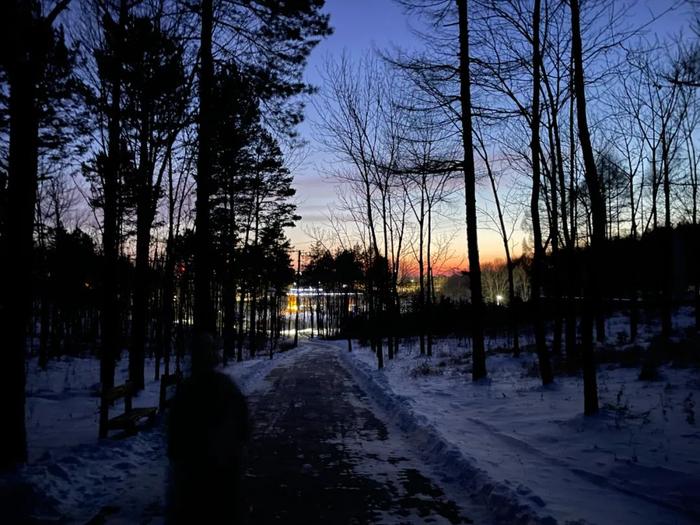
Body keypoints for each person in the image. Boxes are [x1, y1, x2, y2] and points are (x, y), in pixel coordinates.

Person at [166, 332, 249, 524]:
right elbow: (243, 428)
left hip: (195, 476)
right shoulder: (226, 388)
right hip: (219, 473)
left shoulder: (186, 391)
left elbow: (174, 440)